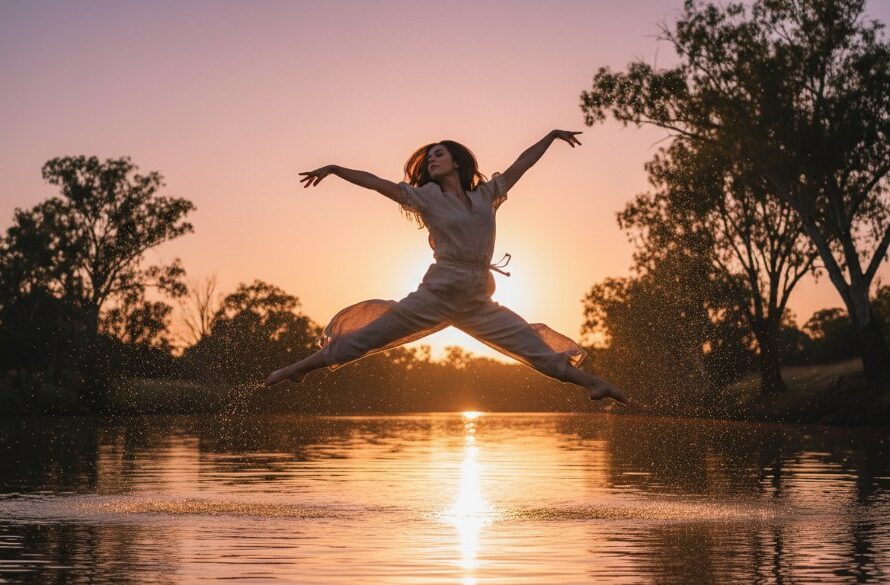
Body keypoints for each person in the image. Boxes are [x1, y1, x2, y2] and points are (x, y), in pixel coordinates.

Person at [265, 130, 627, 405]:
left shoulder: (486, 195)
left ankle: (594, 383)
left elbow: (522, 164)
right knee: (364, 339)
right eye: (428, 159)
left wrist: (549, 137)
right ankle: (296, 370)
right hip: (437, 293)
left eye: (438, 155)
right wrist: (334, 169)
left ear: (456, 161)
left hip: (476, 298)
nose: (431, 161)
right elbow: (377, 184)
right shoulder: (425, 196)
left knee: (532, 348)